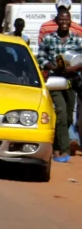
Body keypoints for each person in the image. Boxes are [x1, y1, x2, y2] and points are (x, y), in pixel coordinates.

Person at [39, 9, 82, 162]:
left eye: (67, 20)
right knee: (61, 112)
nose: (64, 23)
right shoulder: (49, 39)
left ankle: (57, 144)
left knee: (69, 115)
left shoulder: (77, 40)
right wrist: (53, 66)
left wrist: (74, 68)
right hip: (55, 81)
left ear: (70, 22)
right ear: (56, 21)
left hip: (71, 81)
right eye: (62, 20)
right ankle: (64, 150)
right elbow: (41, 58)